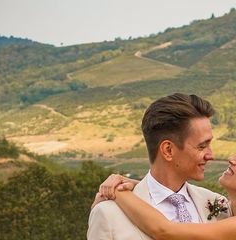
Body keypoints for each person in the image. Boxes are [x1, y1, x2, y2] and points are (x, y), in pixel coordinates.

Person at [99, 140, 236, 240]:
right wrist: (138, 185)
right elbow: (175, 194)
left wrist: (118, 192)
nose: (232, 159)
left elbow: (164, 231)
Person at [88, 93, 228, 240]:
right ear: (168, 150)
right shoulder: (107, 213)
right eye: (202, 146)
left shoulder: (218, 204)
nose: (210, 155)